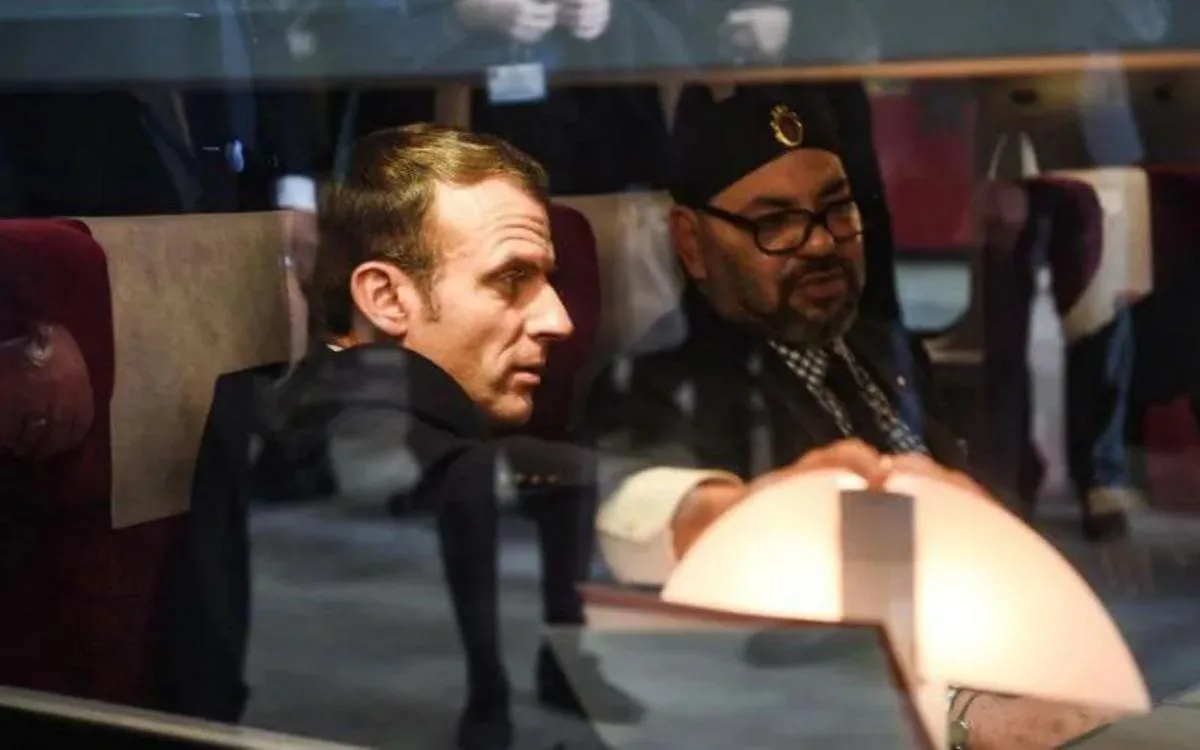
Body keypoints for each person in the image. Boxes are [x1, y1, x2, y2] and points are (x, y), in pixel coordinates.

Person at [579, 85, 1119, 750]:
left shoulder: (884, 346)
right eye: (775, 223)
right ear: (692, 242)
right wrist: (740, 514)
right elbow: (635, 504)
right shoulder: (665, 380)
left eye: (837, 211)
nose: (819, 244)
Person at [253, 124, 640, 750]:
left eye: (545, 280)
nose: (559, 319)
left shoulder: (373, 419)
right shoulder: (367, 453)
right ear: (386, 297)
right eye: (510, 278)